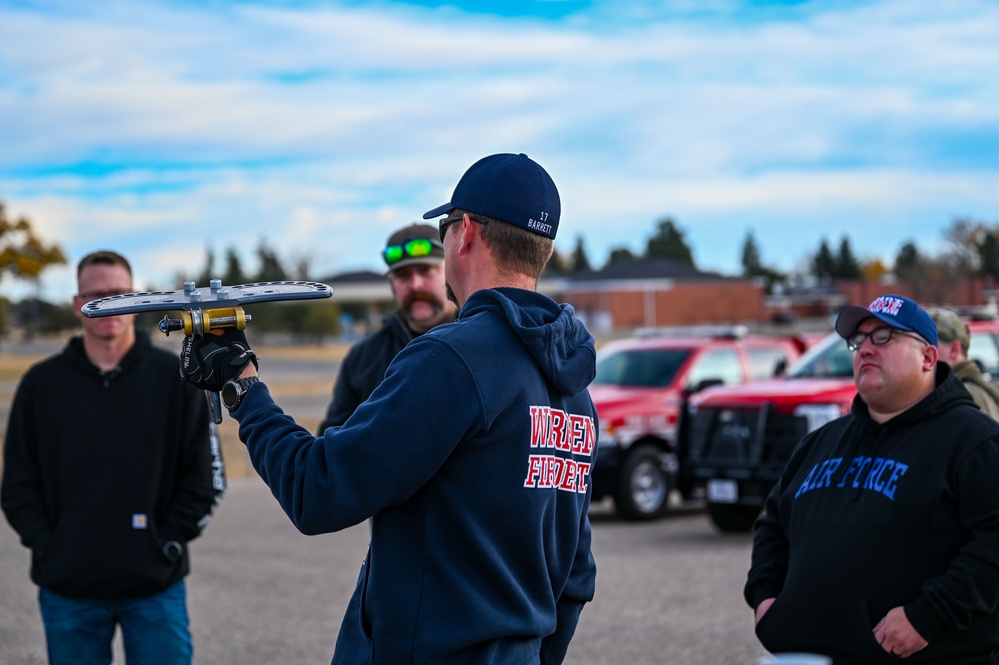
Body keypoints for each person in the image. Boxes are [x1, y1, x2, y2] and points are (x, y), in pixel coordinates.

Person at [178, 153, 598, 664]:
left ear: (465, 233)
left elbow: (320, 490)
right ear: (543, 252)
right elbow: (576, 576)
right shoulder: (574, 388)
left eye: (444, 228)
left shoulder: (452, 358)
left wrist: (243, 387)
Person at [745, 293, 999, 665]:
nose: (865, 349)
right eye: (858, 340)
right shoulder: (820, 443)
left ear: (929, 358)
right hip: (806, 655)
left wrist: (928, 615)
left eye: (883, 337)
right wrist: (766, 600)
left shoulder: (975, 442)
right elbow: (772, 527)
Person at [1, 250, 225, 665]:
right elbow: (17, 484)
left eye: (120, 294)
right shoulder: (41, 385)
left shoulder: (177, 377)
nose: (110, 306)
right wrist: (52, 547)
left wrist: (168, 544)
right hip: (68, 589)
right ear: (77, 303)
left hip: (156, 587)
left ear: (138, 298)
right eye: (97, 296)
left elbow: (206, 477)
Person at [317, 222, 457, 433]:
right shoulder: (364, 357)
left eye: (426, 270)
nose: (415, 284)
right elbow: (333, 442)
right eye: (403, 275)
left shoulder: (481, 342)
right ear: (392, 284)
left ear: (450, 271)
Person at [927, 307, 999, 419]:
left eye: (928, 344)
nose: (922, 353)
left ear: (954, 350)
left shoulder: (961, 396)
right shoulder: (983, 389)